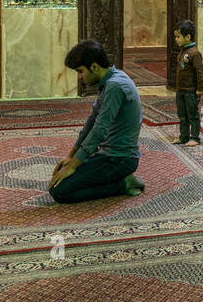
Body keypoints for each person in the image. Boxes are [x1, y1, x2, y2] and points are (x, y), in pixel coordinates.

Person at [49, 39, 144, 203]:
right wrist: (71, 158)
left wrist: (72, 167)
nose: (80, 77)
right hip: (107, 155)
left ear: (94, 67)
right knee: (61, 182)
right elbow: (92, 122)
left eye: (81, 71)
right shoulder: (110, 81)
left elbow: (100, 130)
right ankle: (119, 179)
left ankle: (124, 184)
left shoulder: (115, 86)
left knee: (60, 192)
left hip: (120, 159)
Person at [170, 19, 203, 147]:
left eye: (178, 37)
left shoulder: (194, 53)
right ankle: (183, 136)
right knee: (182, 115)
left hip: (190, 91)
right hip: (181, 90)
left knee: (192, 115)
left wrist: (200, 89)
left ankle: (195, 137)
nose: (176, 40)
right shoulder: (183, 51)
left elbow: (200, 72)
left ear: (188, 37)